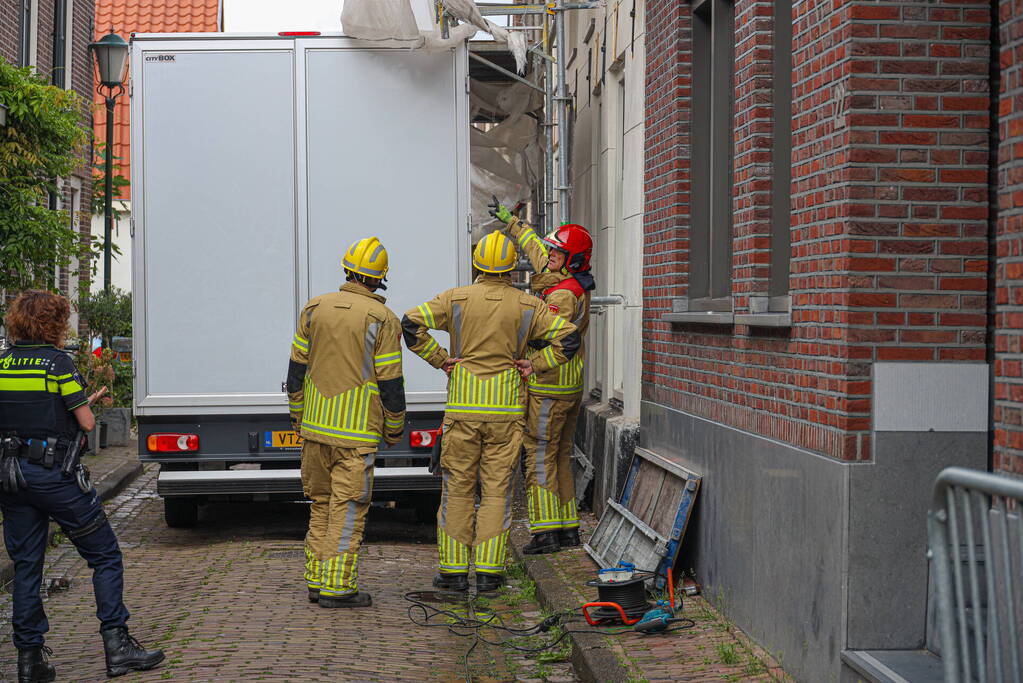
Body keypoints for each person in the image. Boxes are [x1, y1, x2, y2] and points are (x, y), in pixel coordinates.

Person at [402, 230, 581, 592]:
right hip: (506, 414)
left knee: (457, 489)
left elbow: (409, 323)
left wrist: (440, 360)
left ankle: (452, 573)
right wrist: (535, 363)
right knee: (497, 492)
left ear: (477, 263)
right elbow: (570, 338)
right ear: (513, 268)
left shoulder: (456, 298)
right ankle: (488, 573)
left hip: (463, 412)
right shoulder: (528, 305)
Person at [0, 290, 164, 682]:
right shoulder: (57, 364)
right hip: (55, 478)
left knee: (26, 566)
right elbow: (87, 422)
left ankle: (29, 661)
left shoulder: (3, 364)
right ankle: (118, 646)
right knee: (105, 555)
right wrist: (83, 405)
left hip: (12, 478)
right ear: (53, 324)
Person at [287, 237, 406, 608]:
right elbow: (390, 384)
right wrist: (394, 428)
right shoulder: (383, 319)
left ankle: (317, 580)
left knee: (321, 505)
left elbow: (295, 373)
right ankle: (338, 588)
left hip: (315, 431)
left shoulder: (313, 309)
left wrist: (298, 416)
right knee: (348, 509)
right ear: (380, 279)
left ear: (347, 270)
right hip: (356, 437)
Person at [489, 199, 595, 555]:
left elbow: (557, 340)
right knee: (560, 455)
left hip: (551, 384)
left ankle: (545, 532)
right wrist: (512, 222)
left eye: (557, 252)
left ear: (572, 260)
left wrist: (531, 362)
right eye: (551, 250)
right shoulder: (565, 278)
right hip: (569, 383)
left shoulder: (562, 296)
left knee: (538, 454)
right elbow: (537, 251)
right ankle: (567, 530)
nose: (549, 255)